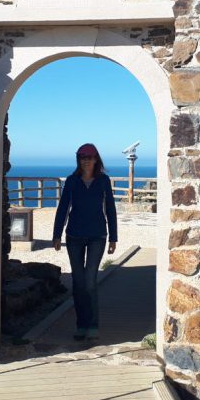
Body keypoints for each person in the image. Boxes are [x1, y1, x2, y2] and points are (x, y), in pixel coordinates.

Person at [52, 143, 117, 341]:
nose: (86, 160)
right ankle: (81, 325)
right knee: (78, 282)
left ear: (96, 159)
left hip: (98, 236)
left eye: (89, 157)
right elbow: (63, 208)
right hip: (74, 237)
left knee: (90, 282)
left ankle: (93, 325)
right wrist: (56, 235)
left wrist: (113, 237)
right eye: (82, 157)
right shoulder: (72, 181)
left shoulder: (103, 181)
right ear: (78, 160)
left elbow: (110, 209)